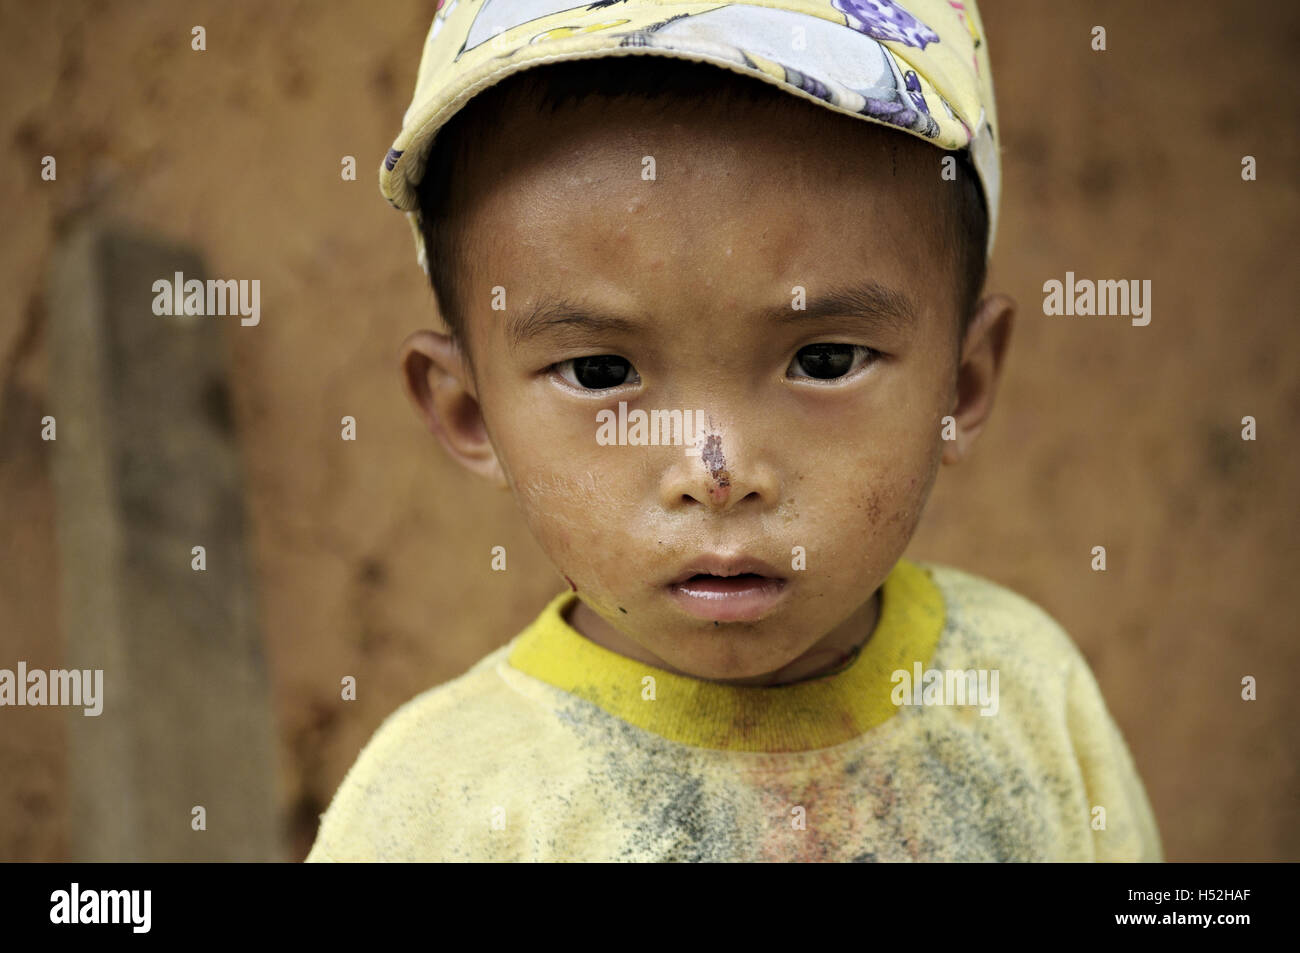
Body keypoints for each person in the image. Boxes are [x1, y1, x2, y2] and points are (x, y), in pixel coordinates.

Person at [307, 0, 1162, 862]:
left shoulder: (1023, 690)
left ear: (963, 384)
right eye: (602, 373)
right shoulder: (434, 808)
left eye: (826, 361)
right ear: (467, 411)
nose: (719, 472)